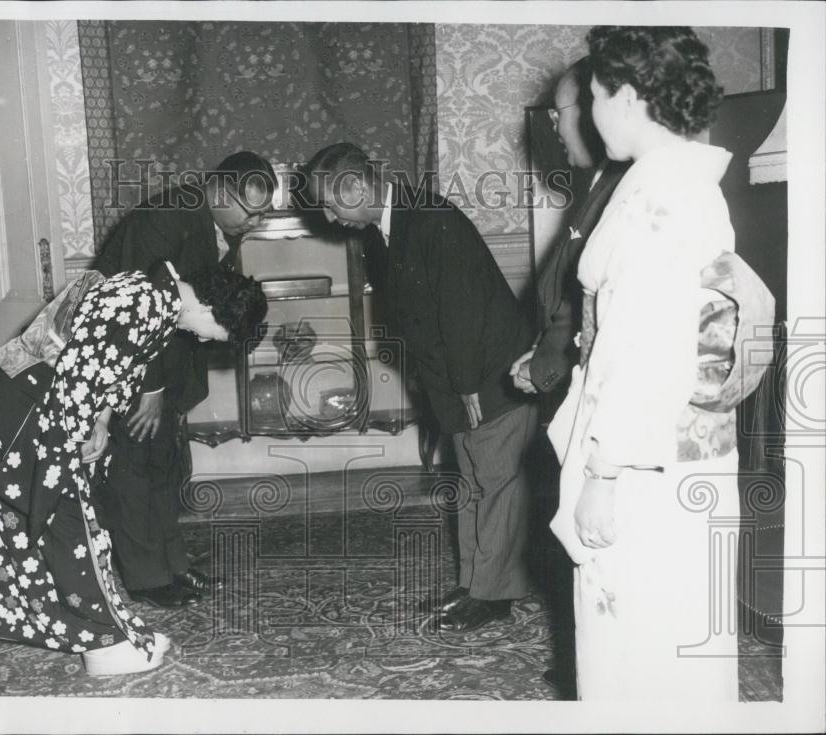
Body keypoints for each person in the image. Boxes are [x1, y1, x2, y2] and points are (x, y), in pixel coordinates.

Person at [547, 26, 740, 700]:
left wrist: (604, 468)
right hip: (672, 444)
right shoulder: (671, 180)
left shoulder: (662, 197)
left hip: (644, 458)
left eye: (595, 94)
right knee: (661, 636)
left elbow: (648, 345)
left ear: (626, 95)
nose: (593, 114)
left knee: (644, 644)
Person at [0, 263, 267, 675]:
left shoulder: (154, 297)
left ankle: (105, 633)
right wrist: (78, 434)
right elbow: (79, 376)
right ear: (211, 309)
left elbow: (109, 373)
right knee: (73, 530)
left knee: (67, 525)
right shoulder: (143, 305)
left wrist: (97, 422)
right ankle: (105, 647)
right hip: (34, 404)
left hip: (39, 399)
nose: (205, 339)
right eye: (216, 334)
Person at [304, 143, 537, 633]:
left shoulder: (433, 220)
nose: (328, 216)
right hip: (457, 374)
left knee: (497, 481)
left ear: (356, 187)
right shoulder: (389, 227)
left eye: (330, 203)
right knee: (472, 480)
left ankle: (494, 594)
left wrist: (468, 384)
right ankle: (476, 583)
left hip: (486, 371)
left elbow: (462, 310)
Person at [93, 151, 276, 608]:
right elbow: (137, 310)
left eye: (263, 212)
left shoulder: (218, 222)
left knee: (164, 471)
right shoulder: (164, 219)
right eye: (250, 211)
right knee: (133, 475)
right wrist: (150, 390)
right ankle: (146, 579)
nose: (256, 221)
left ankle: (173, 565)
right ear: (217, 191)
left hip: (169, 365)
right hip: (134, 370)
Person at [510, 58, 630, 402]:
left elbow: (591, 310)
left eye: (557, 114)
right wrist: (543, 354)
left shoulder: (622, 187)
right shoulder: (599, 181)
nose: (554, 127)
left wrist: (544, 366)